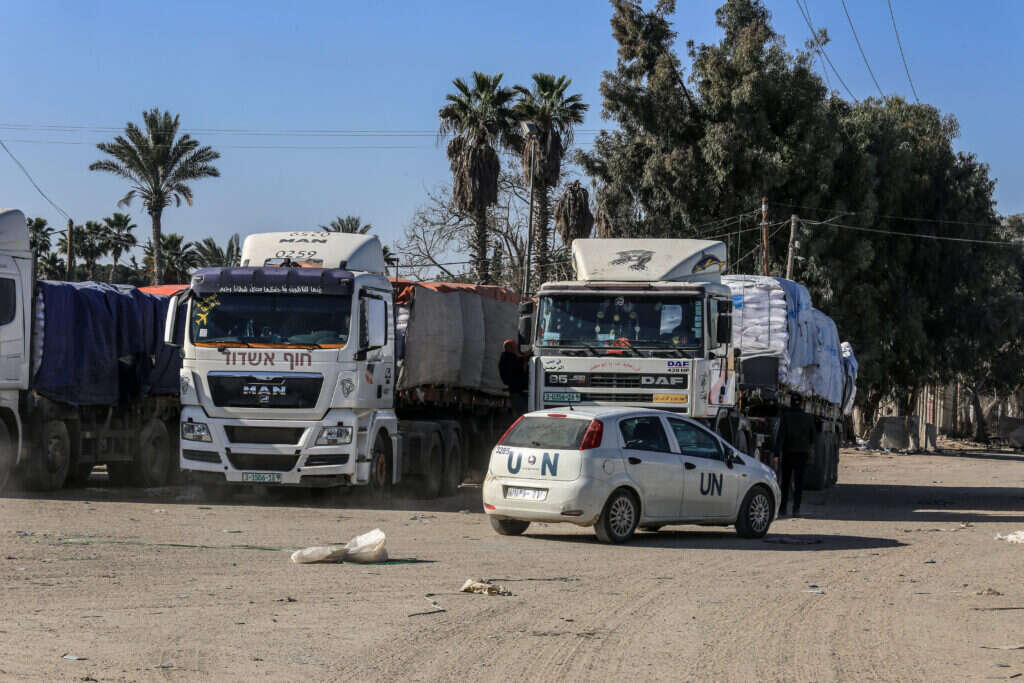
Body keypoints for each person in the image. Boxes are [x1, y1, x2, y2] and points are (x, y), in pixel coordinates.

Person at [777, 395, 817, 517]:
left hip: (788, 453)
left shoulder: (786, 417)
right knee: (799, 483)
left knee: (785, 482)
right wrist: (808, 450)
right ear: (801, 404)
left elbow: (781, 436)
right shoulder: (808, 418)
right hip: (802, 454)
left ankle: (783, 509)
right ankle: (796, 509)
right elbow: (813, 437)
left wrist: (776, 453)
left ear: (791, 403)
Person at [499, 339, 529, 415]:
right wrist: (524, 359)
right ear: (509, 348)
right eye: (514, 347)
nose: (516, 349)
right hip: (516, 390)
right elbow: (519, 369)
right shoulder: (508, 358)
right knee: (522, 412)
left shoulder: (509, 357)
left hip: (518, 389)